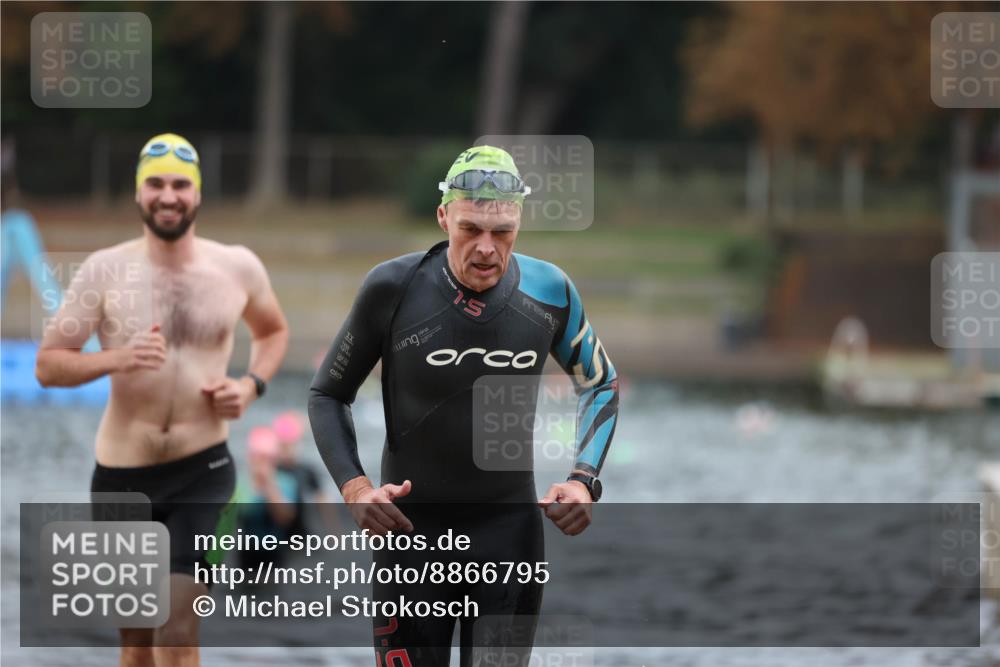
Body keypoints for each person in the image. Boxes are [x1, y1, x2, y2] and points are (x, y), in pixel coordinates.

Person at [308, 146, 619, 666]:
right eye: (470, 229)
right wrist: (356, 487)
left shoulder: (550, 292)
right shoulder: (393, 288)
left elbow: (601, 385)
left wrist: (584, 478)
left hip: (507, 536)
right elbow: (327, 395)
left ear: (519, 220)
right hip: (409, 538)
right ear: (443, 216)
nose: (486, 249)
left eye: (502, 233)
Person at [35, 133, 289, 667]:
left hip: (206, 470)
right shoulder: (103, 271)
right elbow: (48, 364)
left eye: (180, 185)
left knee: (177, 627)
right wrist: (116, 359)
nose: (167, 196)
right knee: (137, 643)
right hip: (122, 475)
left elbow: (272, 332)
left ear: (197, 195)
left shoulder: (237, 266)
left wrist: (250, 385)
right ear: (138, 194)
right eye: (155, 184)